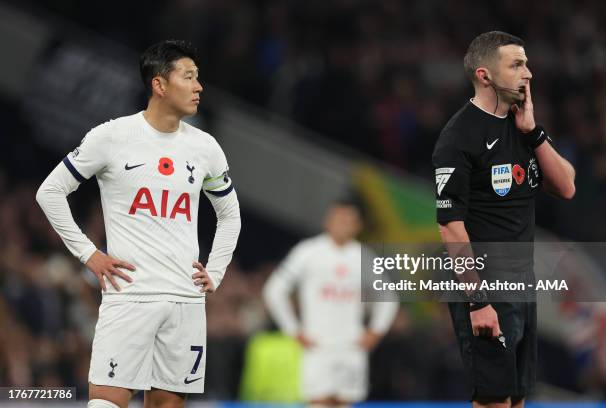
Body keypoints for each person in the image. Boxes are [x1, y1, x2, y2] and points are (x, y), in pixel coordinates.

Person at [36, 40, 241, 408]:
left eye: (199, 78)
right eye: (189, 77)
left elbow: (230, 215)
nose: (199, 87)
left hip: (185, 302)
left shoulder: (205, 148)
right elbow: (50, 192)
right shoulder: (112, 136)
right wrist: (89, 254)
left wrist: (216, 271)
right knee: (106, 402)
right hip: (130, 295)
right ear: (159, 84)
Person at [432, 31, 575, 408]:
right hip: (485, 288)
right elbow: (450, 225)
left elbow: (566, 186)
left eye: (526, 63)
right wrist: (478, 301)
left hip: (522, 283)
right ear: (485, 75)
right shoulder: (458, 138)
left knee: (516, 400)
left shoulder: (521, 127)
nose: (528, 72)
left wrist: (535, 132)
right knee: (493, 401)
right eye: (516, 64)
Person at [263, 200, 399, 406]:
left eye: (349, 220)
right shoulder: (307, 252)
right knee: (318, 402)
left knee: (345, 403)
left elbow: (388, 297)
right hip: (318, 345)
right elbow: (274, 291)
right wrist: (293, 330)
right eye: (339, 219)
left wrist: (376, 331)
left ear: (358, 226)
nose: (344, 224)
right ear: (328, 222)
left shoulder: (363, 257)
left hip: (351, 346)